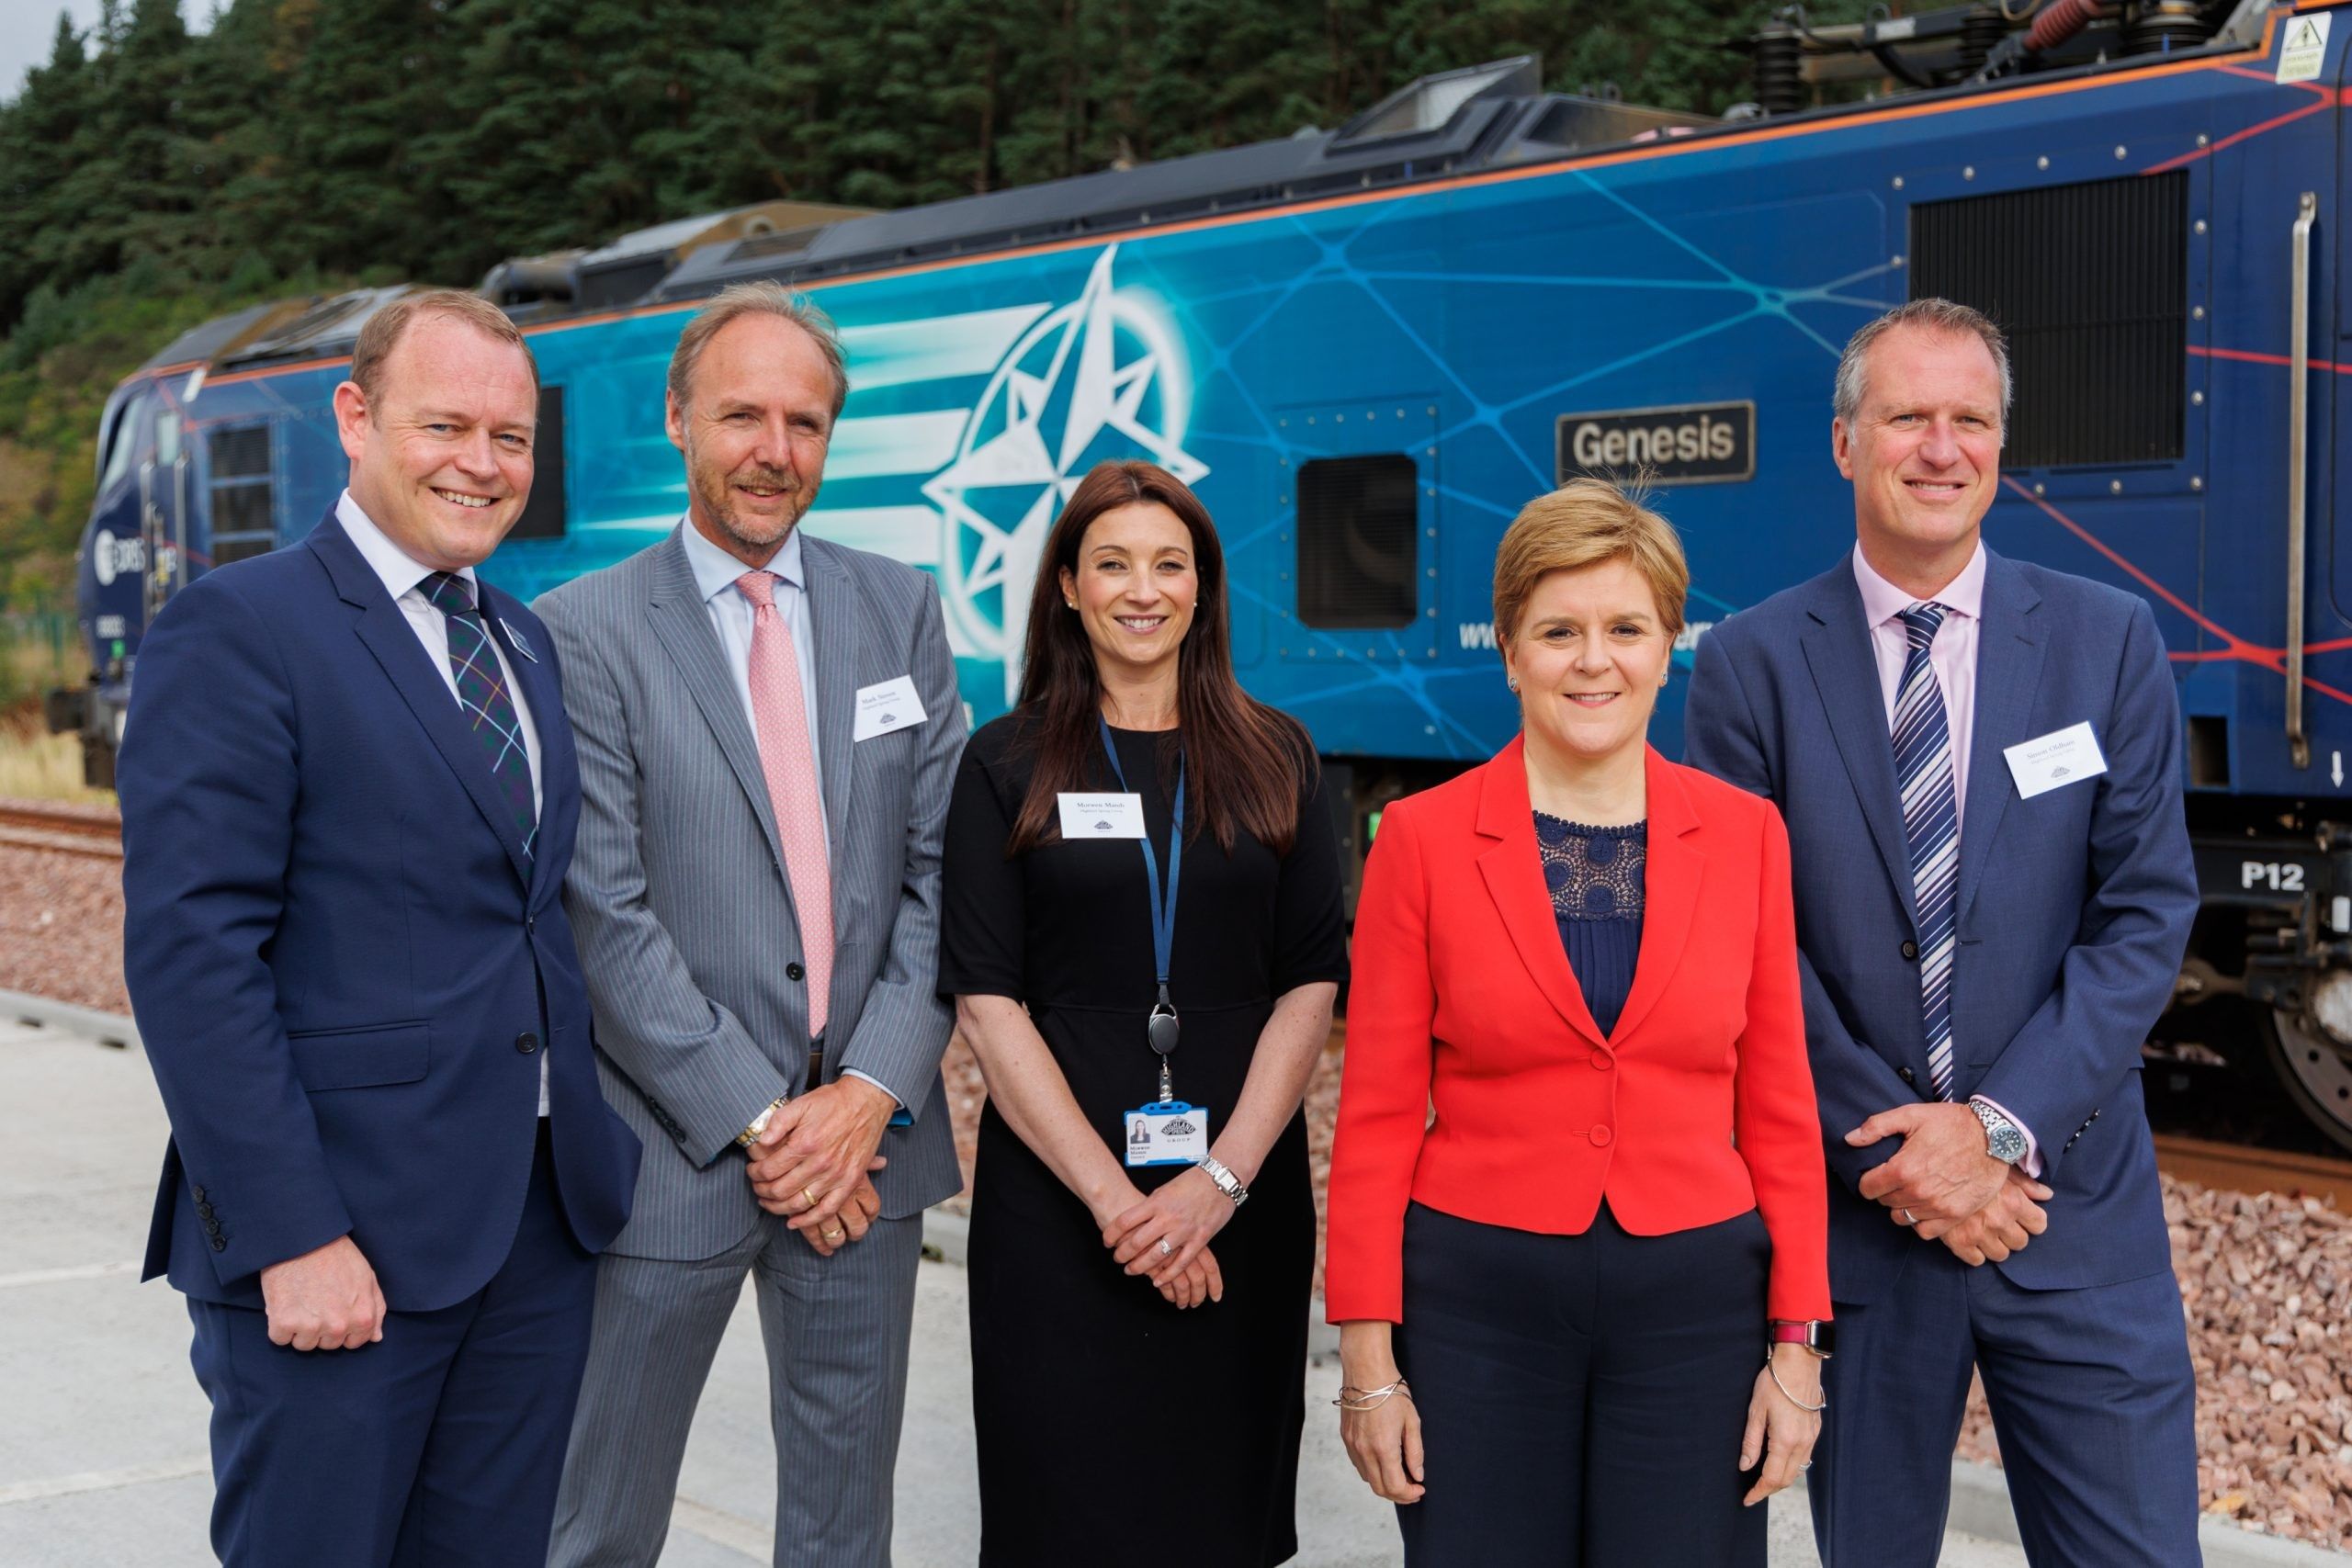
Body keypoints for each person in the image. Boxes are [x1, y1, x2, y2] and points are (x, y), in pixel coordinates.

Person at [118, 288, 642, 1566]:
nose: (483, 462)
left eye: (511, 437)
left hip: (531, 1231)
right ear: (356, 418)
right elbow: (194, 958)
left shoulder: (521, 639)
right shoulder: (240, 630)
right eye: (446, 423)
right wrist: (294, 1231)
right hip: (340, 1239)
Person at [1683, 298, 2200, 1565]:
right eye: (1907, 415)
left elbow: (2144, 913)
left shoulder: (2107, 639)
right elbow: (1746, 942)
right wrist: (1911, 1159)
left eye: (1969, 418)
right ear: (1847, 442)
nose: (1940, 445)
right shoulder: (1749, 664)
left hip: (2066, 1215)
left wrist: (1995, 1130)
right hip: (1863, 1224)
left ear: (2000, 447)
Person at [537, 281, 965, 1568]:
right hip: (675, 1152)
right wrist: (772, 1122)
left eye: (806, 421)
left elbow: (945, 879)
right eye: (742, 415)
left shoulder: (902, 605)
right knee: (594, 1525)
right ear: (678, 420)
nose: (775, 450)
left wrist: (867, 1094)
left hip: (867, 1156)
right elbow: (603, 913)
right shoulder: (587, 629)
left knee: (844, 1531)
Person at [1325, 479, 1831, 1565]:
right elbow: (1371, 1121)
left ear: (1666, 648)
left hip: (1696, 1314)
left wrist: (1798, 1348)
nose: (1592, 660)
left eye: (1624, 629)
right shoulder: (1417, 840)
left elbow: (1781, 1109)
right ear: (1509, 651)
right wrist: (1367, 1365)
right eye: (1558, 631)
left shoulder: (1747, 837)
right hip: (1475, 1315)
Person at [940, 459, 1347, 1566]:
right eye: (1111, 563)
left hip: (1241, 1205)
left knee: (1221, 1513)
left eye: (1170, 564)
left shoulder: (1280, 760)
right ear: (1066, 587)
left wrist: (1214, 1187)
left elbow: (1310, 983)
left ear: (1204, 588)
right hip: (1059, 1215)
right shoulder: (1004, 764)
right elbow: (987, 1001)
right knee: (1060, 1515)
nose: (1142, 588)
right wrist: (1123, 1206)